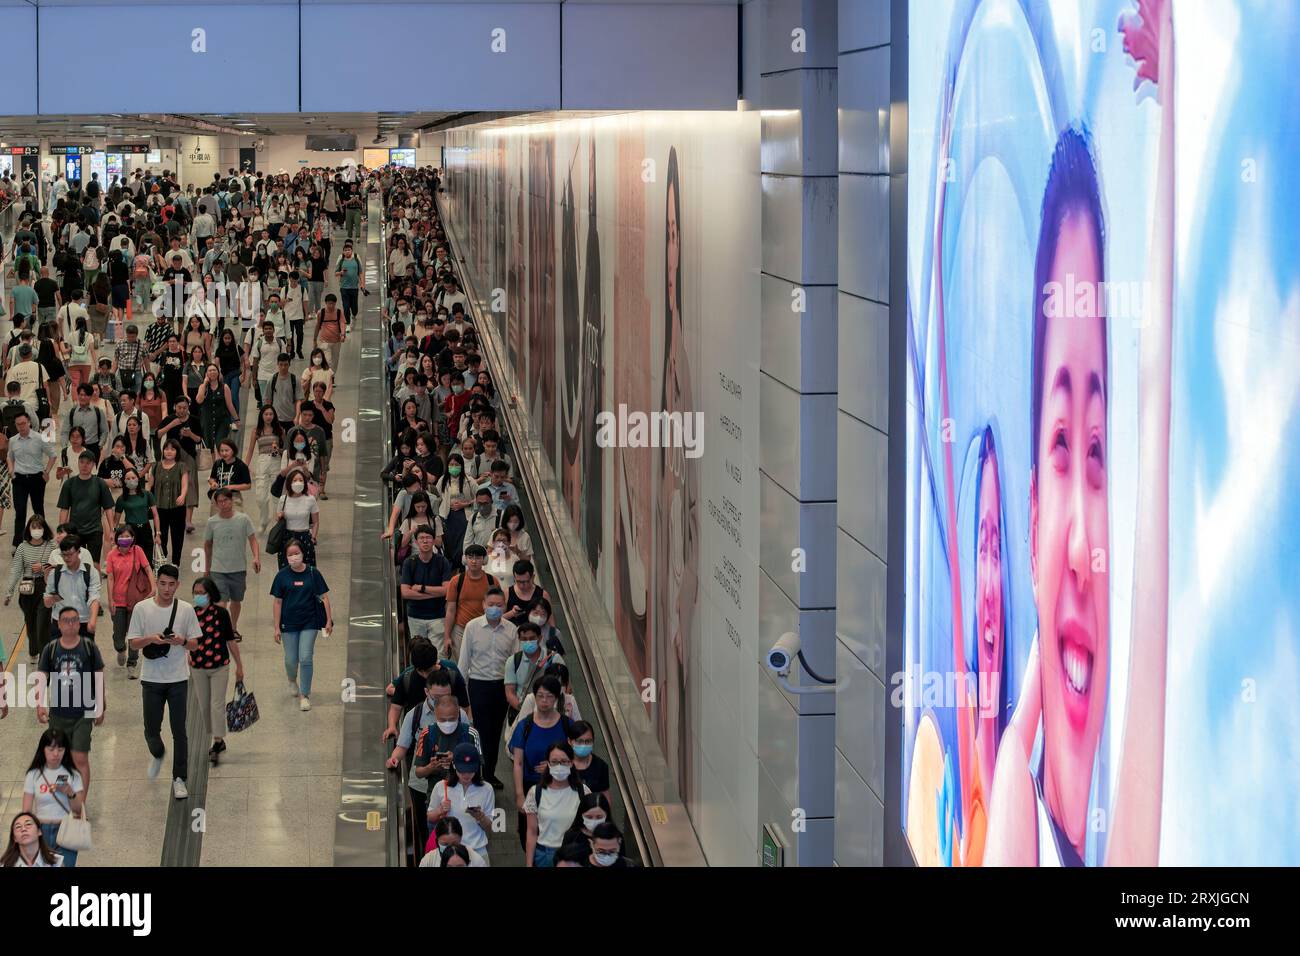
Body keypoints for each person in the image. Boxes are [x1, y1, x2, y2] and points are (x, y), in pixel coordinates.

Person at [127, 563, 203, 800]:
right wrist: (152, 639)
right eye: (162, 584)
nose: (167, 589)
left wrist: (181, 641)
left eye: (171, 584)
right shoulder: (142, 609)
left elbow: (195, 644)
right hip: (151, 679)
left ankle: (179, 778)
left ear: (177, 585)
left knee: (180, 730)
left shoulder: (186, 610)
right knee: (151, 729)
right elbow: (133, 643)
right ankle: (158, 753)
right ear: (156, 583)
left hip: (178, 678)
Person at [35, 605, 106, 810]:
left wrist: (100, 705)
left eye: (75, 620)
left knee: (80, 756)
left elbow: (99, 675)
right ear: (59, 624)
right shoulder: (51, 649)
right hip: (58, 712)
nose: (71, 624)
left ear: (79, 623)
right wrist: (39, 704)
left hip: (84, 711)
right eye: (66, 620)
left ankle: (79, 806)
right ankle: (63, 800)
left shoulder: (88, 647)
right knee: (58, 758)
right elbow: (42, 677)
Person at [456, 587, 517, 789]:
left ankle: (490, 773)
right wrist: (460, 693)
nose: (494, 608)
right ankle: (476, 772)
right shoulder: (472, 627)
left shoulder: (511, 630)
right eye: (490, 605)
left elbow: (515, 662)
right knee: (480, 731)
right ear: (483, 605)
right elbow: (464, 662)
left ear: (504, 607)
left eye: (499, 605)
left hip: (501, 687)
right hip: (478, 684)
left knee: (495, 733)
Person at [270, 538, 332, 711]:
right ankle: (291, 680)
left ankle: (304, 694)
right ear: (286, 557)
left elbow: (324, 597)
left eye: (296, 553)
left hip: (309, 622)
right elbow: (277, 602)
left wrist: (328, 620)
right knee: (291, 659)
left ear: (303, 553)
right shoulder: (281, 576)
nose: (294, 557)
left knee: (305, 657)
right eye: (290, 554)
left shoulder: (313, 573)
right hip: (288, 624)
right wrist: (276, 627)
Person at [189, 576, 244, 765]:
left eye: (201, 593)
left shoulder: (221, 614)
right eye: (195, 593)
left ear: (210, 594)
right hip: (198, 667)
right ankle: (215, 737)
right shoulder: (191, 614)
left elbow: (230, 640)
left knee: (216, 704)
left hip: (220, 666)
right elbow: (186, 640)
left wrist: (239, 666)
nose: (198, 597)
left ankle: (218, 741)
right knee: (204, 706)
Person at [383, 637, 471, 742]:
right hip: (416, 739)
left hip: (448, 736)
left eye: (429, 670)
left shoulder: (452, 676)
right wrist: (392, 726)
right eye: (421, 671)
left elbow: (464, 707)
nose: (425, 675)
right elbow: (396, 707)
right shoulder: (407, 678)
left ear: (435, 663)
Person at [21, 728, 87, 867]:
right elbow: (26, 810)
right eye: (51, 749)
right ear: (43, 749)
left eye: (61, 749)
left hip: (65, 831)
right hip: (40, 830)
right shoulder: (33, 775)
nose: (56, 754)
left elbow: (78, 810)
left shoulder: (73, 775)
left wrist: (69, 792)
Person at [203, 488, 260, 638]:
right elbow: (207, 545)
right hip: (218, 569)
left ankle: (233, 627)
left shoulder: (243, 519)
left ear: (231, 500)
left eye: (225, 500)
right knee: (221, 602)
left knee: (236, 600)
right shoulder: (212, 522)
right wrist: (207, 567)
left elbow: (253, 539)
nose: (223, 504)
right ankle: (222, 630)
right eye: (219, 501)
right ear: (216, 504)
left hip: (238, 568)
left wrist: (256, 557)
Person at [426, 742, 495, 865]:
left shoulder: (487, 789)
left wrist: (481, 817)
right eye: (462, 770)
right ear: (454, 765)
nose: (466, 775)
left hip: (478, 850)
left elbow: (490, 828)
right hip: (450, 854)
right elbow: (430, 817)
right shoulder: (441, 787)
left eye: (470, 771)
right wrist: (440, 810)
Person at [523, 740, 588, 868]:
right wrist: (529, 863)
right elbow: (531, 832)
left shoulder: (583, 792)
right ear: (548, 763)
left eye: (564, 761)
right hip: (544, 856)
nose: (559, 766)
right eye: (554, 762)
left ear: (571, 762)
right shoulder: (536, 792)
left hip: (574, 856)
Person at [102, 524, 155, 675]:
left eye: (128, 536)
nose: (125, 539)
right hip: (118, 601)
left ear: (132, 538)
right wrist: (110, 599)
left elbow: (148, 569)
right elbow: (110, 578)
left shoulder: (138, 551)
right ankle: (121, 649)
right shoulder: (112, 555)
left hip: (136, 601)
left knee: (134, 634)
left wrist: (153, 587)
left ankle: (132, 662)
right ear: (117, 538)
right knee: (118, 635)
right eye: (122, 536)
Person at [6, 516, 54, 662]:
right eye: (34, 527)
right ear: (28, 529)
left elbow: (58, 563)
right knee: (30, 622)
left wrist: (44, 565)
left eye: (39, 527)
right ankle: (33, 649)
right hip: (27, 588)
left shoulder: (51, 546)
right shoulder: (22, 547)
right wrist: (9, 591)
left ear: (44, 529)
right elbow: (16, 570)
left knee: (43, 623)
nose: (37, 530)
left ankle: (44, 657)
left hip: (44, 586)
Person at [7, 409, 54, 550]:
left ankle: (43, 539)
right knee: (20, 511)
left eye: (23, 423)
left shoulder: (40, 438)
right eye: (18, 424)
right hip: (19, 479)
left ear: (29, 423)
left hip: (36, 478)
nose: (21, 426)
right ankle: (18, 544)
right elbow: (10, 456)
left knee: (38, 509)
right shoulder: (13, 440)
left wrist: (47, 471)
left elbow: (52, 455)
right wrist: (11, 469)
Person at [504, 621, 563, 724]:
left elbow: (565, 687)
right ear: (519, 640)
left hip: (550, 715)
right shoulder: (513, 661)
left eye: (532, 638)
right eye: (524, 639)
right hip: (521, 715)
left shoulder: (554, 658)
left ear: (539, 638)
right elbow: (510, 693)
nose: (528, 642)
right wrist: (524, 710)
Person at [43, 535, 101, 640]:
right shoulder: (55, 574)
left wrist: (92, 621)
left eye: (70, 554)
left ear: (79, 552)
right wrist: (52, 599)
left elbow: (94, 598)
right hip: (60, 624)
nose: (66, 558)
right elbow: (47, 603)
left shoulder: (90, 572)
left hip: (83, 623)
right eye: (63, 555)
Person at [400, 525, 451, 644]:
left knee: (438, 654)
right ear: (416, 542)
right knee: (418, 653)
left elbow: (447, 590)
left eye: (428, 538)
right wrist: (435, 593)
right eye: (421, 538)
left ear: (433, 541)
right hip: (415, 616)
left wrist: (422, 588)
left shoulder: (442, 561)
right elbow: (405, 593)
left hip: (438, 616)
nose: (425, 540)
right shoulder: (409, 562)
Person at [246, 404, 284, 534]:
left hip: (276, 462)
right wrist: (246, 465)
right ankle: (264, 519)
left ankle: (276, 523)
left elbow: (285, 450)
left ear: (274, 416)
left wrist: (278, 449)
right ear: (261, 415)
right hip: (262, 461)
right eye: (266, 414)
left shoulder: (279, 430)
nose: (268, 417)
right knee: (260, 496)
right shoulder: (256, 431)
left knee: (275, 495)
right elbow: (251, 449)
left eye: (271, 414)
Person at [112, 465, 160, 568]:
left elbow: (156, 515)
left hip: (146, 528)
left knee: (147, 562)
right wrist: (113, 532)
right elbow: (116, 520)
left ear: (138, 478)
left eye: (133, 477)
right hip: (130, 531)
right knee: (132, 562)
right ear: (124, 481)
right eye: (128, 478)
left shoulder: (147, 495)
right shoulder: (121, 499)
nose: (131, 480)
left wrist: (157, 533)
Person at [152, 440, 190, 566]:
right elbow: (149, 485)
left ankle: (176, 563)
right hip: (159, 507)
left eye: (172, 449)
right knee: (160, 535)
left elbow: (185, 484)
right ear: (162, 450)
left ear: (177, 452)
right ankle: (162, 561)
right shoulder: (156, 466)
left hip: (177, 507)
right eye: (166, 449)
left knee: (177, 536)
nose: (169, 451)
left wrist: (182, 495)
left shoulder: (181, 466)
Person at [274, 467, 319, 570]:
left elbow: (315, 521)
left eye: (300, 480)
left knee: (308, 569)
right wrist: (279, 516)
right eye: (294, 480)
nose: (298, 483)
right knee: (286, 569)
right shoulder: (283, 499)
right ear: (289, 483)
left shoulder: (310, 499)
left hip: (305, 537)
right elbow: (277, 518)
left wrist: (313, 537)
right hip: (287, 538)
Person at [567, 721, 610, 802]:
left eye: (588, 741)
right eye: (579, 741)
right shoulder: (561, 764)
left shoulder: (601, 766)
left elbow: (605, 794)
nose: (584, 745)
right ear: (569, 741)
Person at [417, 818, 485, 868]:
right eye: (445, 844)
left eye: (454, 844)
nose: (450, 848)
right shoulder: (428, 860)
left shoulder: (476, 860)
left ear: (461, 839)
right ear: (437, 841)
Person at [313, 293, 347, 373]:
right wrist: (314, 340)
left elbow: (342, 323)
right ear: (326, 303)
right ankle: (328, 376)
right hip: (324, 341)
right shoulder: (321, 313)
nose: (331, 305)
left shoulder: (339, 312)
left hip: (336, 341)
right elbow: (317, 326)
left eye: (333, 303)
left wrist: (342, 334)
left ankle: (332, 377)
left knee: (335, 360)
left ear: (335, 303)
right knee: (328, 360)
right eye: (329, 303)